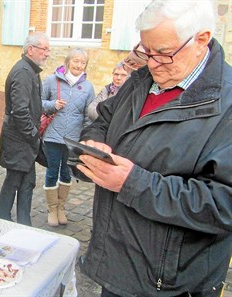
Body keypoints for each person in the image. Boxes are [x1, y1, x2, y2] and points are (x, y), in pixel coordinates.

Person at [77, 1, 232, 296]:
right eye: (146, 51)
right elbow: (103, 119)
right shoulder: (140, 80)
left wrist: (132, 183)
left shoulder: (227, 106)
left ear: (202, 39)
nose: (152, 63)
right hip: (116, 266)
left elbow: (225, 205)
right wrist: (93, 142)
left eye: (164, 53)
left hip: (171, 284)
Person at [0, 32, 50, 226]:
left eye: (48, 49)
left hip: (24, 140)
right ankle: (2, 221)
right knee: (13, 182)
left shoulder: (30, 70)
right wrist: (34, 135)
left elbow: (31, 106)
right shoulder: (23, 72)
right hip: (19, 140)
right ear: (31, 49)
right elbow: (20, 111)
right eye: (44, 49)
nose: (47, 53)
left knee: (27, 183)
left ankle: (24, 225)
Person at [41, 48, 94, 226]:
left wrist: (84, 138)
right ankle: (52, 209)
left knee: (66, 173)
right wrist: (52, 105)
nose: (78, 65)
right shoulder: (51, 80)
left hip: (73, 139)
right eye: (76, 61)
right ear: (68, 62)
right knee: (52, 171)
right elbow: (38, 102)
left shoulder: (87, 87)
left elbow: (88, 116)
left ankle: (61, 208)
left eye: (82, 62)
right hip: (52, 137)